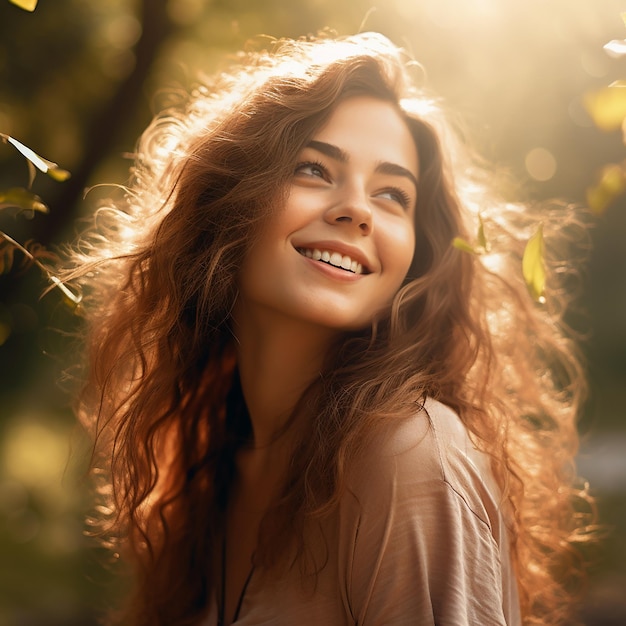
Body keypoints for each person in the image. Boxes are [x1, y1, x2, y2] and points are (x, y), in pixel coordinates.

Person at [64, 32, 594, 625]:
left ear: (416, 259)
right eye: (315, 169)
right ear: (228, 201)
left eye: (393, 195)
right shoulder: (211, 468)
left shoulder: (408, 457)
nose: (358, 210)